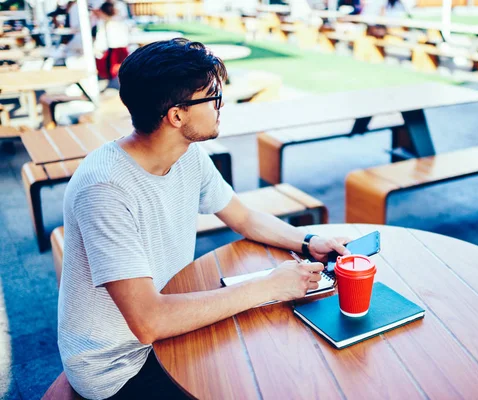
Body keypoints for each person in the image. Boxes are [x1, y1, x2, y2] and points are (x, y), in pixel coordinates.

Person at [58, 38, 350, 400]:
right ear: (177, 115)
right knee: (270, 376)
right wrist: (270, 286)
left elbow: (243, 217)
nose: (221, 105)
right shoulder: (105, 189)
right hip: (119, 366)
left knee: (284, 349)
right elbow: (149, 322)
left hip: (171, 317)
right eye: (212, 97)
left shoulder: (187, 155)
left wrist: (307, 242)